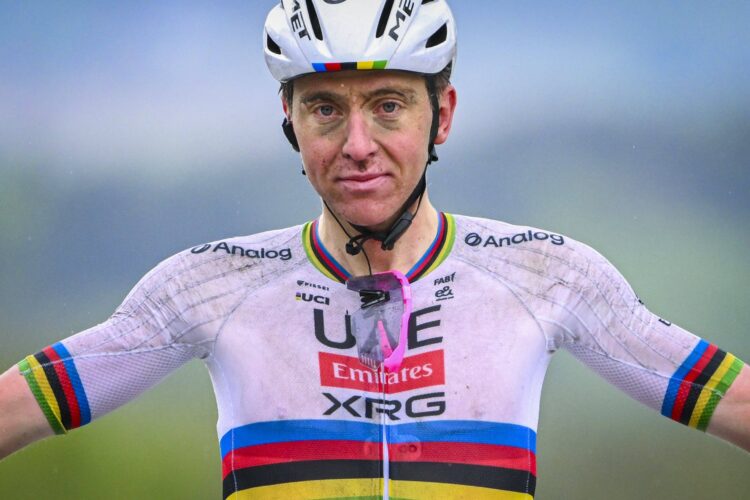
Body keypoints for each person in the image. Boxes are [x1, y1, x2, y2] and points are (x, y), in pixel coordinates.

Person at [1, 1, 748, 498]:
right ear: (290, 122)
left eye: (388, 106)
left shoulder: (547, 276)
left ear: (442, 115)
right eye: (325, 109)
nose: (357, 145)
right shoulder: (207, 286)